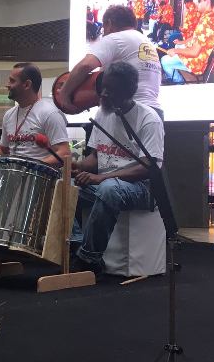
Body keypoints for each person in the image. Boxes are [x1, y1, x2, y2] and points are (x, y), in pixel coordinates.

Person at [70, 62, 164, 275]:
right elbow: (96, 156)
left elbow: (149, 168)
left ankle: (88, 259)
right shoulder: (103, 113)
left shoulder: (149, 119)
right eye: (102, 87)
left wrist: (101, 178)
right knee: (64, 186)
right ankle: (75, 246)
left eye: (110, 90)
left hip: (142, 188)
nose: (103, 94)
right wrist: (75, 167)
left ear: (128, 92)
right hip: (106, 183)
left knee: (109, 188)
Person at [0, 63, 69, 223]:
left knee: (7, 221)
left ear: (27, 84)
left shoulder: (49, 113)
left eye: (12, 81)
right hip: (11, 178)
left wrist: (30, 165)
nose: (7, 84)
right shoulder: (9, 115)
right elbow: (4, 148)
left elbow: (64, 153)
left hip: (38, 181)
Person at [58, 5, 163, 119]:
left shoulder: (115, 38)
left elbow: (85, 65)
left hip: (128, 112)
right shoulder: (146, 42)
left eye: (104, 27)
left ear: (109, 23)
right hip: (154, 113)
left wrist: (64, 94)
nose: (104, 32)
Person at [161, 0, 214, 84]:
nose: (197, 3)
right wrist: (181, 43)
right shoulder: (207, 17)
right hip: (196, 55)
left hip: (195, 62)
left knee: (164, 60)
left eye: (199, 1)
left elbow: (194, 52)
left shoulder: (207, 23)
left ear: (207, 1)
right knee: (176, 45)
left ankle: (179, 82)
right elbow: (196, 36)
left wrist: (176, 51)